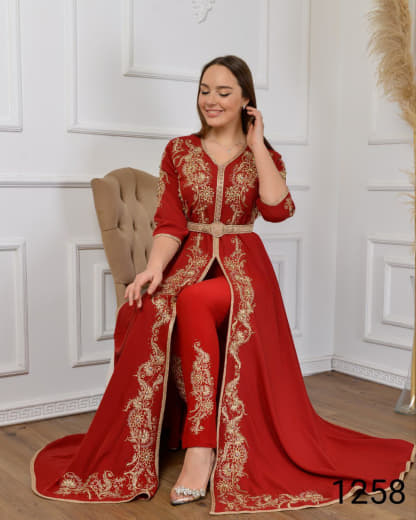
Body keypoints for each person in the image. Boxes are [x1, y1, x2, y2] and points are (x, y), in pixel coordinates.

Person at [30, 55, 415, 515]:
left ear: (246, 99)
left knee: (194, 301)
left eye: (224, 92)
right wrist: (153, 268)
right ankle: (160, 436)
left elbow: (277, 209)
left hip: (243, 271)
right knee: (149, 307)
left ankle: (202, 448)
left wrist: (256, 144)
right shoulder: (178, 151)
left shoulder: (264, 156)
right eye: (204, 90)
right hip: (187, 262)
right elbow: (170, 222)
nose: (210, 100)